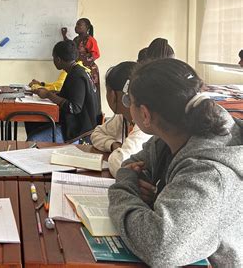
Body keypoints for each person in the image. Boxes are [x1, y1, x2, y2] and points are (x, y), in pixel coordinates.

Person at [108, 58, 243, 266]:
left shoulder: (209, 174)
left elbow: (160, 247)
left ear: (144, 114)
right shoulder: (168, 138)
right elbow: (133, 162)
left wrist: (125, 186)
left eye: (129, 101)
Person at [28, 40, 101, 143]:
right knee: (32, 126)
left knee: (33, 140)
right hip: (77, 125)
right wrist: (49, 93)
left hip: (80, 133)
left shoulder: (77, 76)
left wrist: (48, 94)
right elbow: (70, 96)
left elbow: (74, 107)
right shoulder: (77, 71)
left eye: (53, 58)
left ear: (58, 59)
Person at [90, 61, 151, 177]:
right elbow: (96, 133)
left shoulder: (145, 124)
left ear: (113, 95)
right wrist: (113, 144)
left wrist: (118, 153)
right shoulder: (122, 117)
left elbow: (120, 163)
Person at [61, 18, 100, 94]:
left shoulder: (90, 40)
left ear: (87, 27)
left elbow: (96, 54)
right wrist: (64, 36)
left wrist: (81, 60)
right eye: (76, 24)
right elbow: (71, 47)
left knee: (89, 92)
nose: (76, 26)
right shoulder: (76, 39)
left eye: (79, 24)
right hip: (78, 69)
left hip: (89, 70)